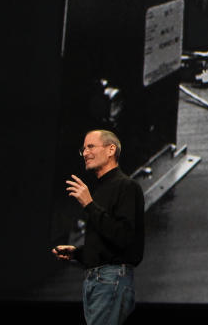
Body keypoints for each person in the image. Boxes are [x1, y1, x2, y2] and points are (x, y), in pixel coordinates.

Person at [52, 130, 144, 325]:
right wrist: (76, 253)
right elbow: (106, 245)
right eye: (83, 149)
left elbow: (124, 238)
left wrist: (89, 205)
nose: (85, 153)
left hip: (110, 280)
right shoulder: (100, 189)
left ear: (111, 150)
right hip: (96, 280)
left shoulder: (127, 186)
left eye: (91, 146)